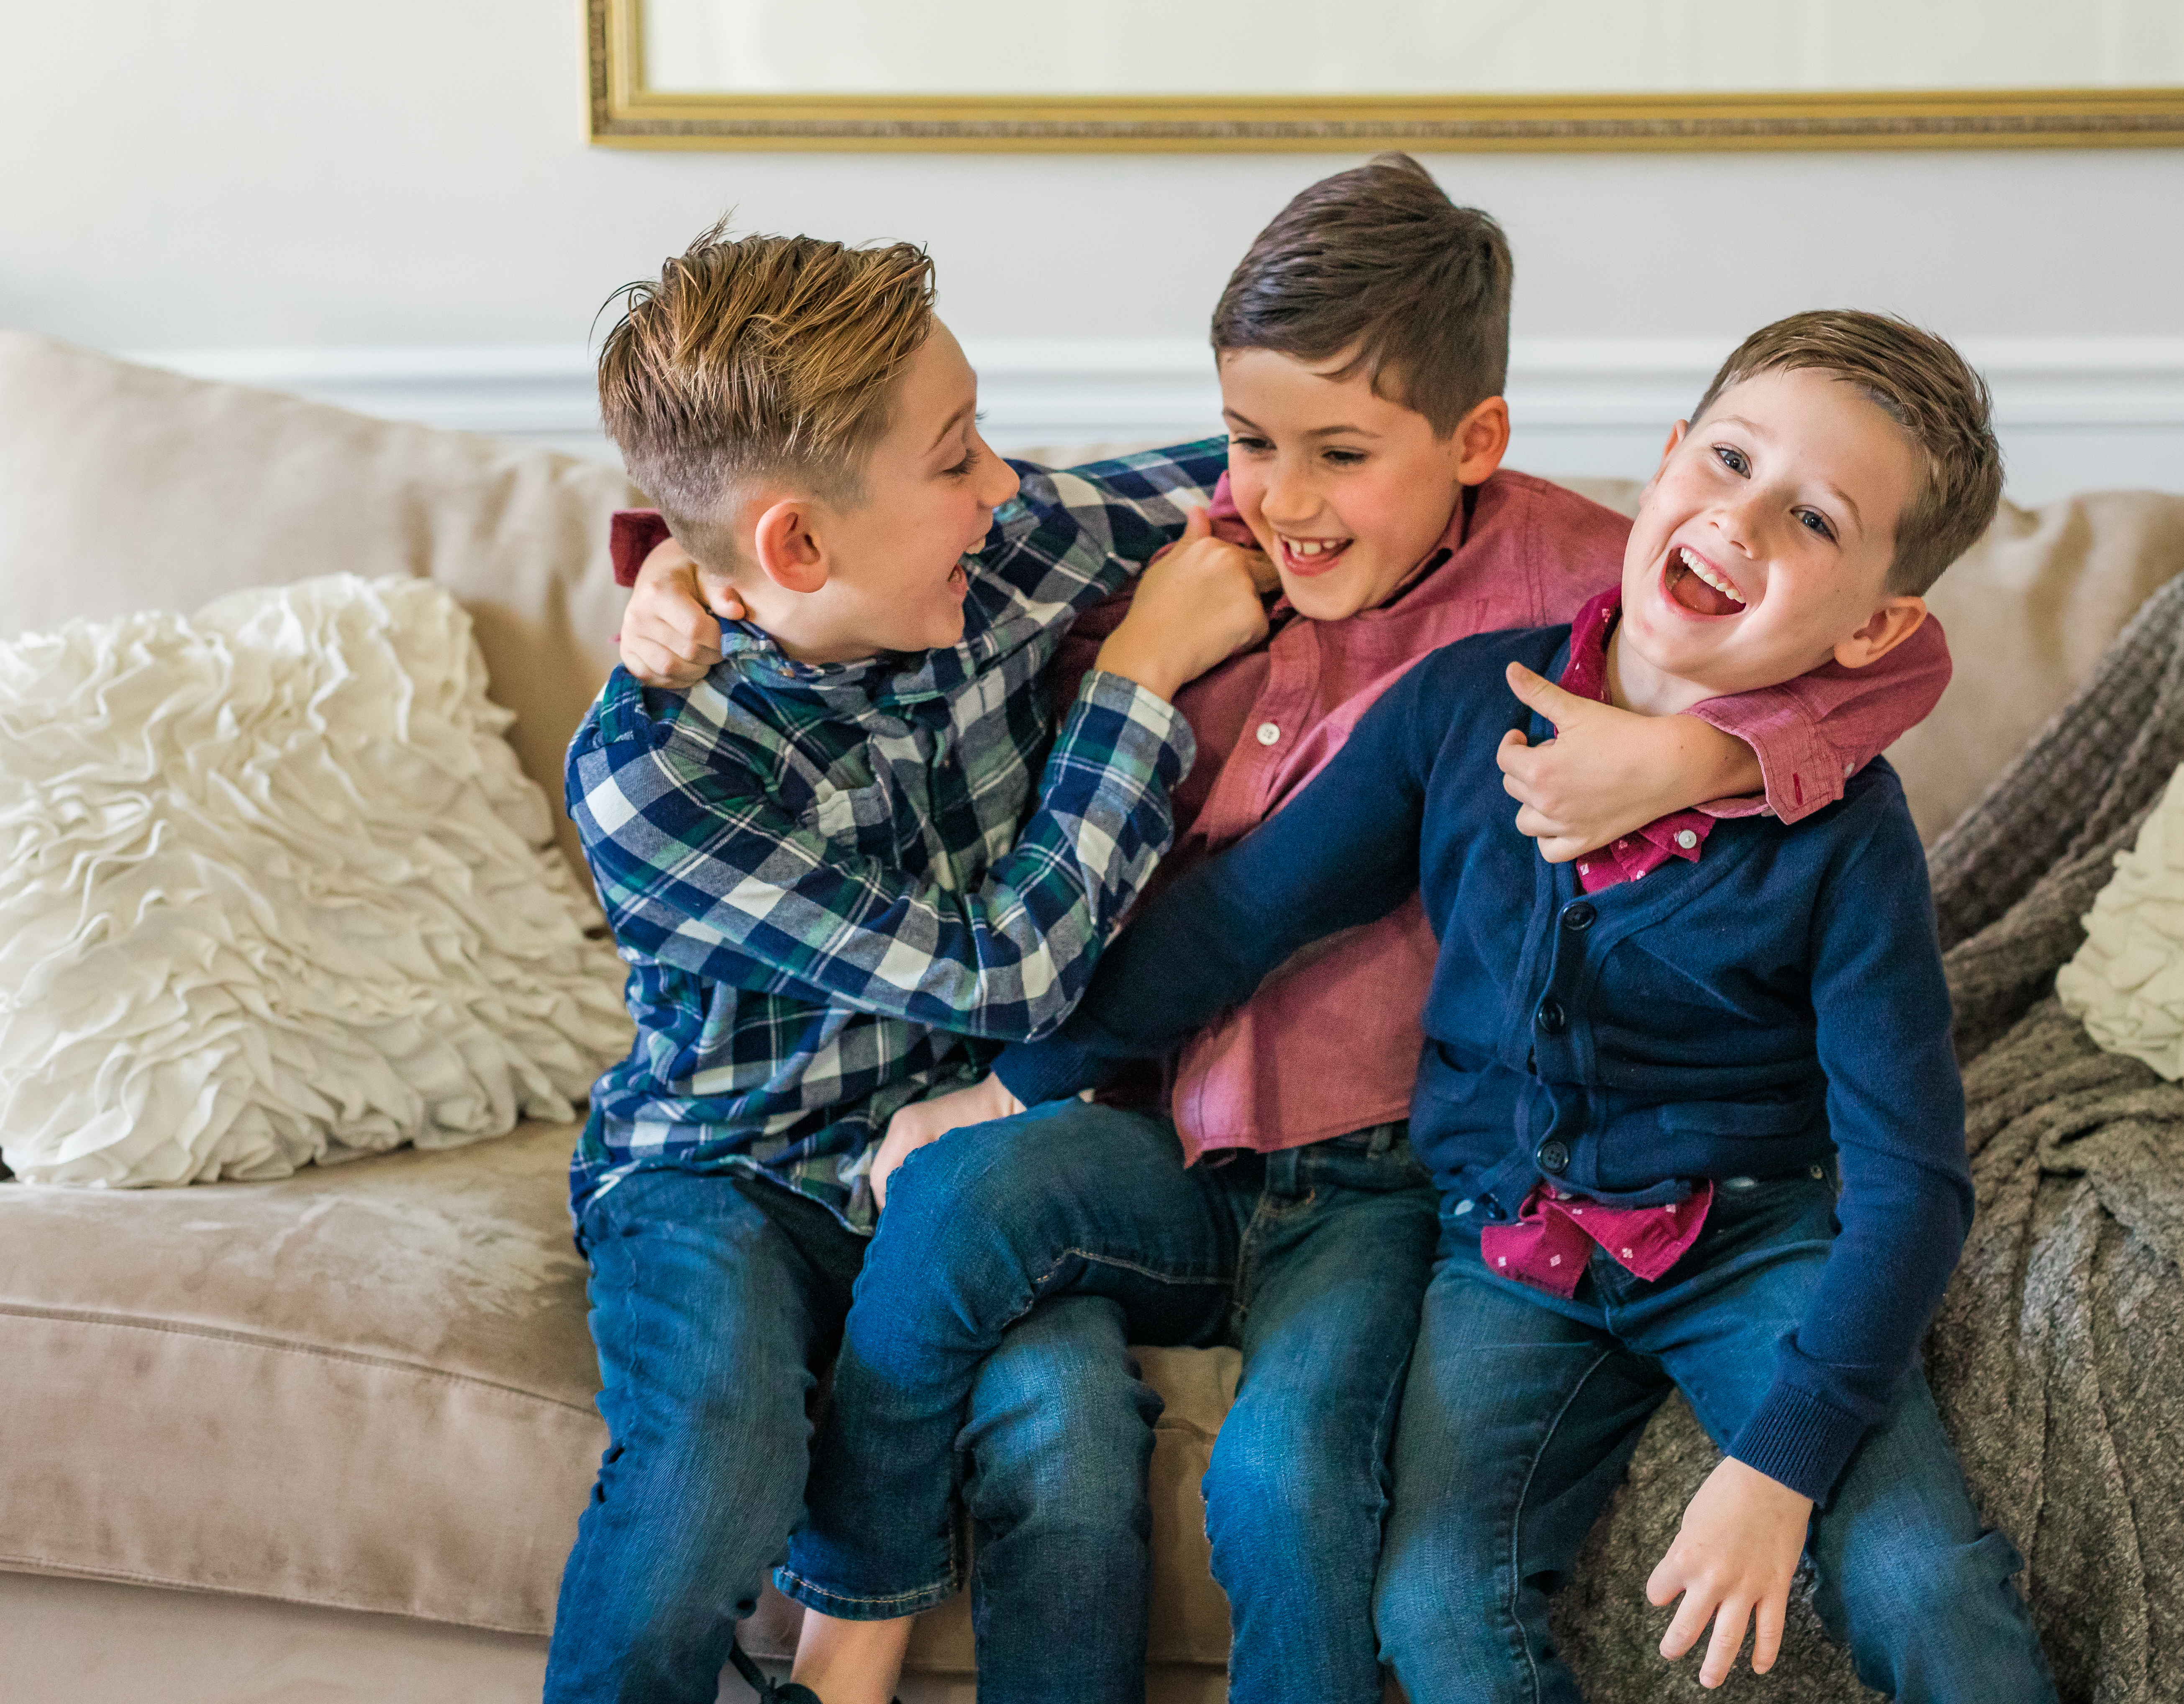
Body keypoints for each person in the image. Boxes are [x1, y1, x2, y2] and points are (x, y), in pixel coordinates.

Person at [616, 162, 1953, 1704]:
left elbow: (1882, 651)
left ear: (1475, 445)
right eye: (1255, 440)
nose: (1285, 493)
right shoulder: (1187, 530)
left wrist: (1707, 752)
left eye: (1336, 452)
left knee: (1286, 1484)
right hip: (1161, 1126)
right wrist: (671, 565)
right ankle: (840, 1664)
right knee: (957, 1206)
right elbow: (824, 538)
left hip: (1382, 1172)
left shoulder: (1580, 578)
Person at [982, 311, 2059, 1701]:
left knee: (1922, 1574)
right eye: (1728, 460)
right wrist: (1023, 1075)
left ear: (1878, 624)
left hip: (1743, 1240)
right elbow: (1246, 914)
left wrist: (1780, 1464)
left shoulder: (1848, 832)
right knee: (1434, 1606)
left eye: (1813, 518)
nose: (1739, 520)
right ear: (1668, 458)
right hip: (1501, 1247)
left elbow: (1914, 1183)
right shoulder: (1459, 710)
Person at [541, 220, 1279, 1704]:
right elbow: (1009, 975)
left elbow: (1293, 453)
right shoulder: (657, 771)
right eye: (956, 457)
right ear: (796, 546)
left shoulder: (1000, 555)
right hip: (725, 1168)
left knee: (1071, 1427)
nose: (1001, 482)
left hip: (962, 1174)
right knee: (711, 1463)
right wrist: (1137, 675)